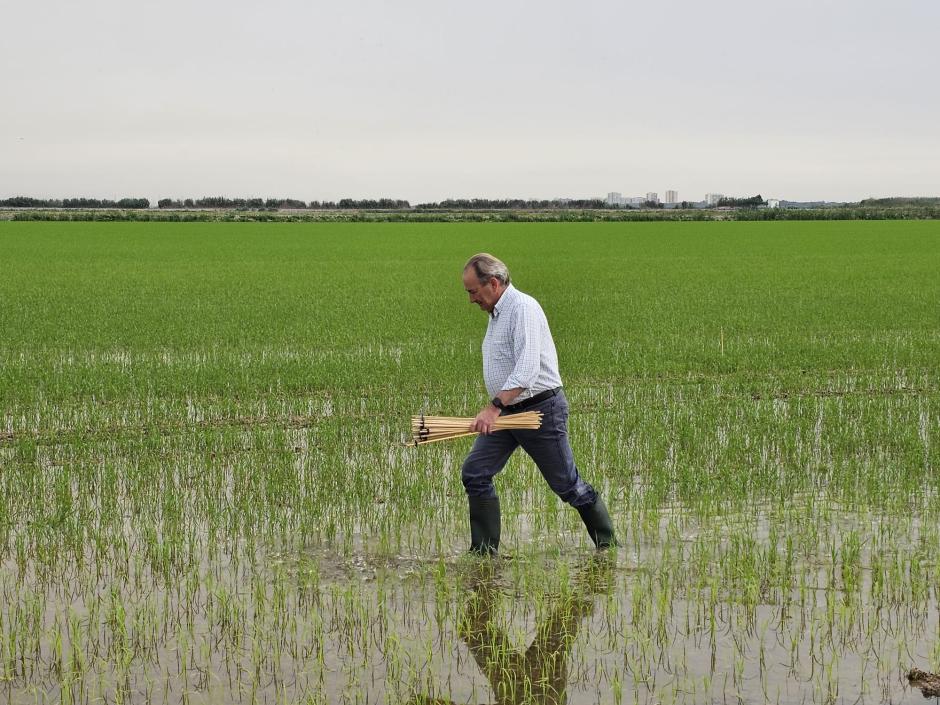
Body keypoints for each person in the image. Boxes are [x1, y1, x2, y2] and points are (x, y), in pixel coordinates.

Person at [460, 253, 617, 554]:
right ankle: (483, 554)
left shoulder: (522, 309)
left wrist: (493, 408)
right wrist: (499, 408)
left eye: (473, 291)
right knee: (475, 473)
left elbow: (527, 368)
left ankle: (608, 545)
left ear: (492, 283)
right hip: (508, 413)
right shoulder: (496, 314)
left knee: (567, 485)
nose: (471, 299)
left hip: (539, 411)